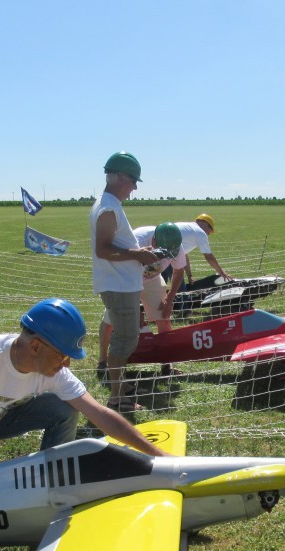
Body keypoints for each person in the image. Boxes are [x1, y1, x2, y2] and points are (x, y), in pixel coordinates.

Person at [0, 298, 170, 496]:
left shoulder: (51, 368)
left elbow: (98, 413)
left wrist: (158, 457)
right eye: (63, 355)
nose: (67, 365)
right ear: (36, 346)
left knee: (63, 408)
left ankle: (51, 481)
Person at [90, 151, 161, 413]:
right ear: (120, 177)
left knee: (125, 337)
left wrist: (139, 256)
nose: (134, 188)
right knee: (125, 339)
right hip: (118, 286)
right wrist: (138, 255)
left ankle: (121, 386)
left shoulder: (109, 204)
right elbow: (103, 249)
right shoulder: (108, 208)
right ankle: (117, 397)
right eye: (133, 182)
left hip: (121, 284)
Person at [97, 222, 186, 379]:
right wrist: (136, 306)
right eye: (163, 253)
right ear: (153, 242)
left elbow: (179, 272)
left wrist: (170, 298)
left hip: (152, 278)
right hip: (124, 279)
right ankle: (103, 361)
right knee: (111, 319)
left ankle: (166, 363)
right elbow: (123, 271)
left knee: (163, 316)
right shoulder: (135, 240)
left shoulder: (176, 247)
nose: (166, 258)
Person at [176, 213, 233, 284]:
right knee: (179, 288)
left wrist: (189, 276)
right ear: (206, 224)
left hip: (161, 251)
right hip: (167, 256)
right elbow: (209, 257)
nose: (208, 234)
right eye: (210, 231)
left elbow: (184, 254)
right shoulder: (200, 232)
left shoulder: (187, 227)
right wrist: (222, 273)